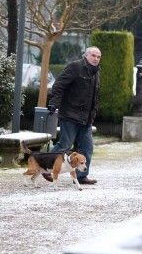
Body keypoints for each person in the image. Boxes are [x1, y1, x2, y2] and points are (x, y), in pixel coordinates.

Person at [42, 46, 102, 185]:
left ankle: (81, 176)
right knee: (64, 144)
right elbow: (59, 85)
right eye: (93, 55)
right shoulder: (75, 67)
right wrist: (54, 103)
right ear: (86, 56)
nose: (96, 59)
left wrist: (94, 112)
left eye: (98, 57)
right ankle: (45, 167)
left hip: (86, 118)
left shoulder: (96, 72)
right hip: (70, 115)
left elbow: (94, 96)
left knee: (87, 148)